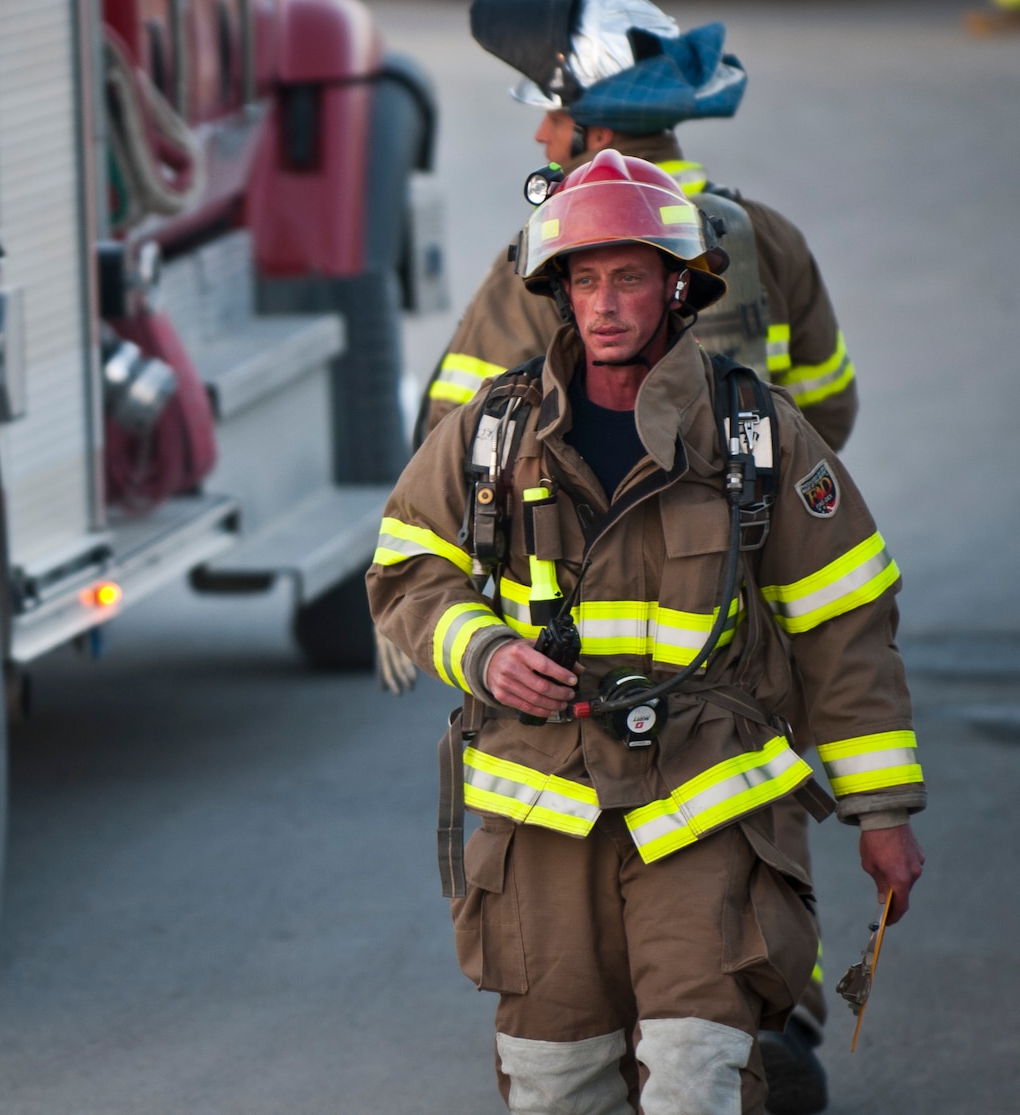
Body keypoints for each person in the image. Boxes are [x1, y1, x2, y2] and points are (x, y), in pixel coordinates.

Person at [366, 151, 925, 1115]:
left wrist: (882, 812)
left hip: (705, 810)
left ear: (678, 286)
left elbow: (846, 626)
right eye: (584, 279)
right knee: (557, 1087)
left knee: (697, 1076)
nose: (605, 303)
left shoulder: (757, 435)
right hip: (541, 817)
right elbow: (407, 563)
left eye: (628, 276)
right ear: (558, 291)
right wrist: (484, 652)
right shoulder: (491, 433)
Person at [420, 0, 858, 453]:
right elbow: (827, 406)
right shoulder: (769, 233)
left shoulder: (559, 246)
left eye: (557, 117)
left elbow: (462, 429)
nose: (541, 133)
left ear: (599, 133)